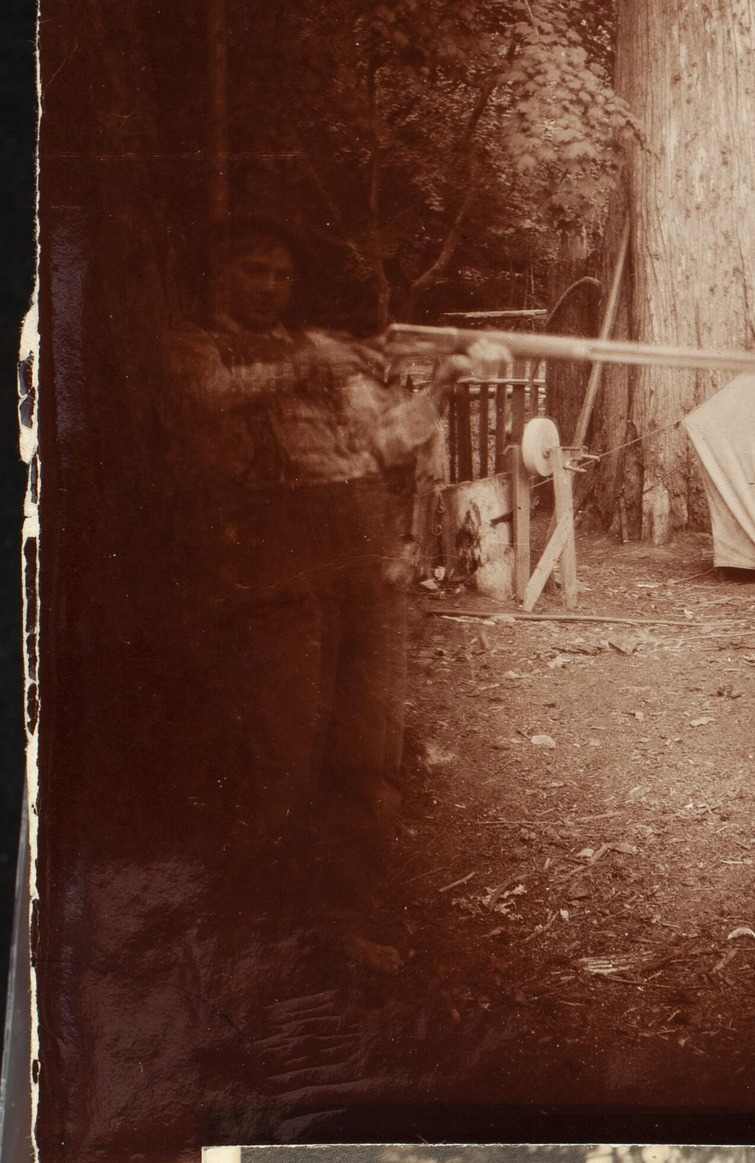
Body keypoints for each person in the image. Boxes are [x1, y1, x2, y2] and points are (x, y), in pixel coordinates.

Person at [166, 217, 505, 972]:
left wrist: (446, 380)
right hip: (272, 560)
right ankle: (242, 936)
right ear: (219, 274)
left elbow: (383, 442)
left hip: (362, 550)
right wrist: (306, 360)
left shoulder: (313, 353)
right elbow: (210, 399)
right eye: (254, 270)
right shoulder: (195, 345)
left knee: (367, 749)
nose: (269, 287)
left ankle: (339, 922)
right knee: (280, 752)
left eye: (281, 274)